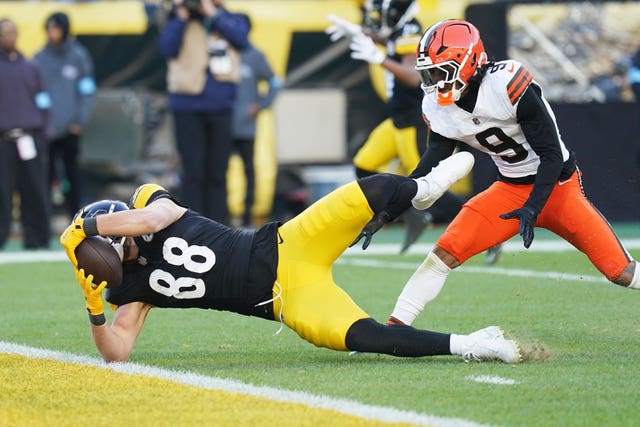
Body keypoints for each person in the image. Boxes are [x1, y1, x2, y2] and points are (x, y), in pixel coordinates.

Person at [59, 152, 522, 364]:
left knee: (374, 190)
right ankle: (472, 344)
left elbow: (147, 220)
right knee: (372, 339)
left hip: (289, 243)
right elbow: (117, 354)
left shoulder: (149, 203)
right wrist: (95, 312)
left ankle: (424, 190)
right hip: (286, 299)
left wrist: (87, 229)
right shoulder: (129, 290)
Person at [372, 19, 639, 327]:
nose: (434, 81)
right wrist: (390, 210)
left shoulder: (506, 83)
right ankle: (394, 329)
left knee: (621, 272)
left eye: (440, 71)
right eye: (429, 72)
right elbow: (431, 162)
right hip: (510, 190)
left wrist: (534, 206)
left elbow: (551, 154)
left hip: (558, 188)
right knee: (443, 254)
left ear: (467, 62)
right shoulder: (439, 106)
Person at [326, 1, 501, 262]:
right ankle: (414, 215)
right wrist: (360, 33)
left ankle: (487, 231)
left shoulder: (410, 30)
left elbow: (411, 74)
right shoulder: (400, 30)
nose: (379, 18)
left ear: (396, 12)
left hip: (413, 120)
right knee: (364, 164)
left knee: (425, 185)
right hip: (397, 119)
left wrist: (379, 58)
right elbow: (390, 39)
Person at [158, 0, 249, 224]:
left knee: (218, 172)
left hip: (221, 107)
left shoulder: (229, 18)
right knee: (192, 173)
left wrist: (213, 12)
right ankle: (192, 226)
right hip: (187, 106)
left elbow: (242, 40)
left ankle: (218, 226)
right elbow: (166, 48)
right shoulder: (177, 21)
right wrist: (180, 14)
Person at [34, 12, 96, 220]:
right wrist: (41, 121)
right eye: (50, 29)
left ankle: (76, 220)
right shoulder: (39, 58)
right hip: (47, 130)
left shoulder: (79, 56)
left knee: (72, 175)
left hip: (71, 128)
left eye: (57, 29)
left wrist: (79, 120)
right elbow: (36, 92)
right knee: (45, 176)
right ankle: (44, 222)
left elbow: (87, 90)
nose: (53, 34)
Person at [0, 18, 51, 249]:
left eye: (12, 32)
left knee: (34, 189)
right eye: (4, 33)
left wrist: (45, 131)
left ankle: (37, 238)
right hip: (4, 140)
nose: (9, 37)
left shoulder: (31, 67)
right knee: (3, 191)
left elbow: (43, 101)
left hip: (30, 137)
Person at [231, 14, 280, 228]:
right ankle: (219, 217)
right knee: (217, 172)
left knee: (249, 171)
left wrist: (260, 104)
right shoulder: (223, 52)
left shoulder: (255, 55)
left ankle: (246, 217)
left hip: (245, 127)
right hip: (221, 125)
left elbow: (275, 82)